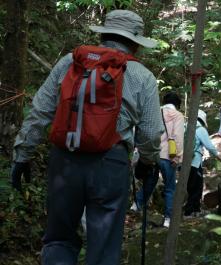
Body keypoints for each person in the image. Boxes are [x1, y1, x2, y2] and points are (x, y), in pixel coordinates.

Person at [10, 10, 163, 265]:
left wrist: (22, 154)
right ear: (135, 42)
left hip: (64, 162)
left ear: (104, 34)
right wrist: (147, 164)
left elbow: (40, 111)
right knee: (103, 244)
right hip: (111, 163)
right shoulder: (142, 76)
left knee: (59, 238)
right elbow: (149, 133)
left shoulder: (70, 63)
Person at [132, 92, 184, 228]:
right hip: (168, 156)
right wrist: (178, 157)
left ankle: (136, 205)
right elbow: (177, 136)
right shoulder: (178, 116)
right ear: (177, 104)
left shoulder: (155, 112)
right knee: (170, 188)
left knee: (150, 181)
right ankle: (167, 218)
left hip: (152, 153)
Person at [183, 110, 221, 217]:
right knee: (196, 187)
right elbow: (209, 146)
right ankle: (190, 211)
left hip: (183, 162)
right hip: (195, 163)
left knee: (190, 186)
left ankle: (195, 209)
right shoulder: (200, 129)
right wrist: (218, 156)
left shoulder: (184, 126)